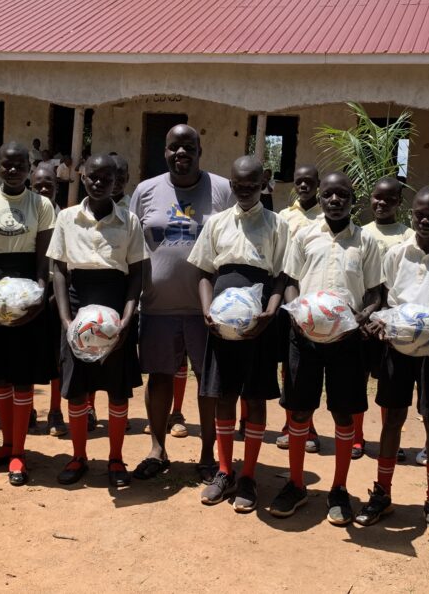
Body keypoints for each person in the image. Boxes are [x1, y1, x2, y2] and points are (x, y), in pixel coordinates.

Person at [356, 186, 429, 541]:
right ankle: (383, 494)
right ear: (411, 214)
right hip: (398, 348)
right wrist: (380, 321)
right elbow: (386, 300)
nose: (425, 220)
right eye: (420, 214)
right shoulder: (397, 254)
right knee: (392, 419)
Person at [268, 172, 383, 525]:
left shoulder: (366, 242)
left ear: (353, 200)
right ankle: (297, 483)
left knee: (344, 414)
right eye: (329, 194)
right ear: (320, 198)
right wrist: (298, 313)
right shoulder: (305, 235)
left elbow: (377, 293)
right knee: (299, 412)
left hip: (346, 341)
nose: (335, 200)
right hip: (304, 336)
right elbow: (289, 283)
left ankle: (338, 489)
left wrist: (361, 317)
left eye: (342, 195)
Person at [129, 124, 233, 482]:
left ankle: (208, 455)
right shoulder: (145, 191)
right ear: (165, 152)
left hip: (207, 311)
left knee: (209, 382)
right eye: (174, 147)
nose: (181, 153)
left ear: (200, 150)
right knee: (159, 379)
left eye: (188, 147)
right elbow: (132, 247)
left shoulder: (221, 190)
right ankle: (157, 449)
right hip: (157, 307)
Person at [189, 156, 288, 511]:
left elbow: (280, 276)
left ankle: (248, 475)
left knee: (255, 396)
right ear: (230, 183)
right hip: (220, 324)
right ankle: (225, 470)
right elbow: (203, 272)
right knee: (224, 395)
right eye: (238, 184)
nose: (244, 190)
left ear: (264, 182)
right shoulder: (216, 223)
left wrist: (270, 311)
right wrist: (205, 309)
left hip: (259, 322)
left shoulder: (277, 224)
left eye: (252, 184)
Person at [50, 154, 145, 489]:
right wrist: (65, 319)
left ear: (116, 180)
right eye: (93, 176)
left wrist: (127, 319)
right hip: (77, 306)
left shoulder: (130, 221)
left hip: (116, 307)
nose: (100, 182)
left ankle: (116, 459)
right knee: (76, 389)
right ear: (83, 177)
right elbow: (59, 270)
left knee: (118, 393)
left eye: (107, 177)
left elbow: (136, 276)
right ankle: (78, 456)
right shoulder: (66, 218)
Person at [0, 142, 55, 486]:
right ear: (0, 168)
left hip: (27, 294)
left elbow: (44, 258)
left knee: (22, 378)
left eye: (21, 165)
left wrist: (39, 297)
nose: (13, 170)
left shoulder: (42, 205)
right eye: (7, 165)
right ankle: (5, 445)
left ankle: (19, 451)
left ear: (30, 168)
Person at [356, 177, 413, 461]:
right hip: (363, 317)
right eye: (377, 197)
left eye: (390, 199)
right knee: (358, 377)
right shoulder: (360, 233)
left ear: (399, 203)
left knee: (389, 382)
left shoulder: (408, 237)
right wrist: (365, 316)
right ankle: (356, 437)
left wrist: (389, 317)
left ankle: (391, 438)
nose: (382, 203)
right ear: (370, 198)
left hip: (393, 320)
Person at [275, 163, 323, 453]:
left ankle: (310, 425)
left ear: (317, 183)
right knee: (289, 364)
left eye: (309, 181)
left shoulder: (325, 216)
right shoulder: (284, 217)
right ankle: (289, 422)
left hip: (318, 303)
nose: (304, 186)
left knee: (312, 365)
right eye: (299, 182)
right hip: (287, 298)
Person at [29, 164, 66, 437]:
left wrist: (56, 296)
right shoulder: (25, 217)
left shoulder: (66, 218)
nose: (43, 189)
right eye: (37, 185)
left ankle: (55, 411)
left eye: (48, 184)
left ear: (57, 185)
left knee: (57, 357)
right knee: (29, 354)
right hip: (28, 294)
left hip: (57, 294)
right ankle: (28, 410)